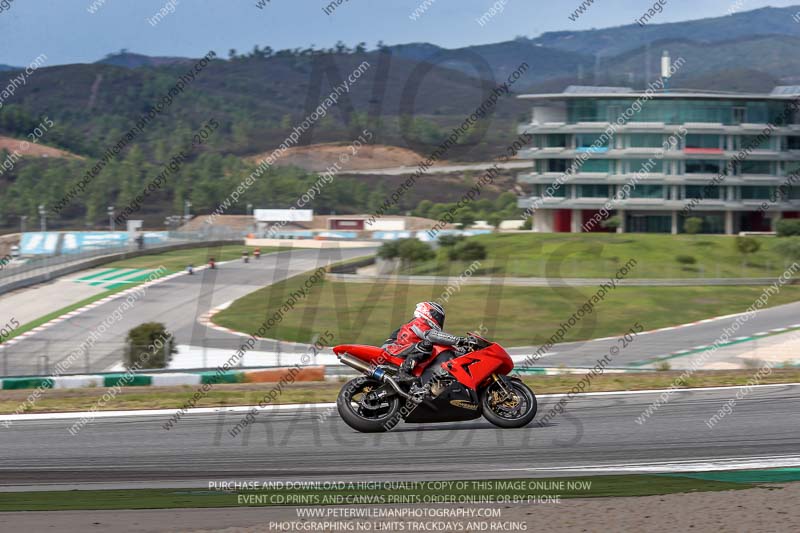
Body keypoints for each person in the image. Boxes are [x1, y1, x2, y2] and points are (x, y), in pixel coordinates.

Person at [381, 302, 469, 384]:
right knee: (426, 345)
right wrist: (459, 340)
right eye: (438, 317)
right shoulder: (419, 323)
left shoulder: (416, 326)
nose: (440, 321)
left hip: (398, 350)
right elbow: (432, 335)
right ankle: (403, 373)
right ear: (428, 313)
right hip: (393, 350)